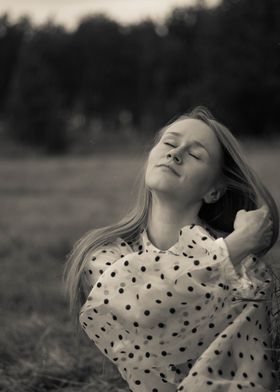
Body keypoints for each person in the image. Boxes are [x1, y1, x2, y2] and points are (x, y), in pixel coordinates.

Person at [63, 106, 279, 392]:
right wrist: (233, 248)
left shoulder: (247, 273)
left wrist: (234, 252)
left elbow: (250, 378)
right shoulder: (104, 255)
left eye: (195, 154)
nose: (175, 153)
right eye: (169, 142)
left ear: (213, 190)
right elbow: (147, 313)